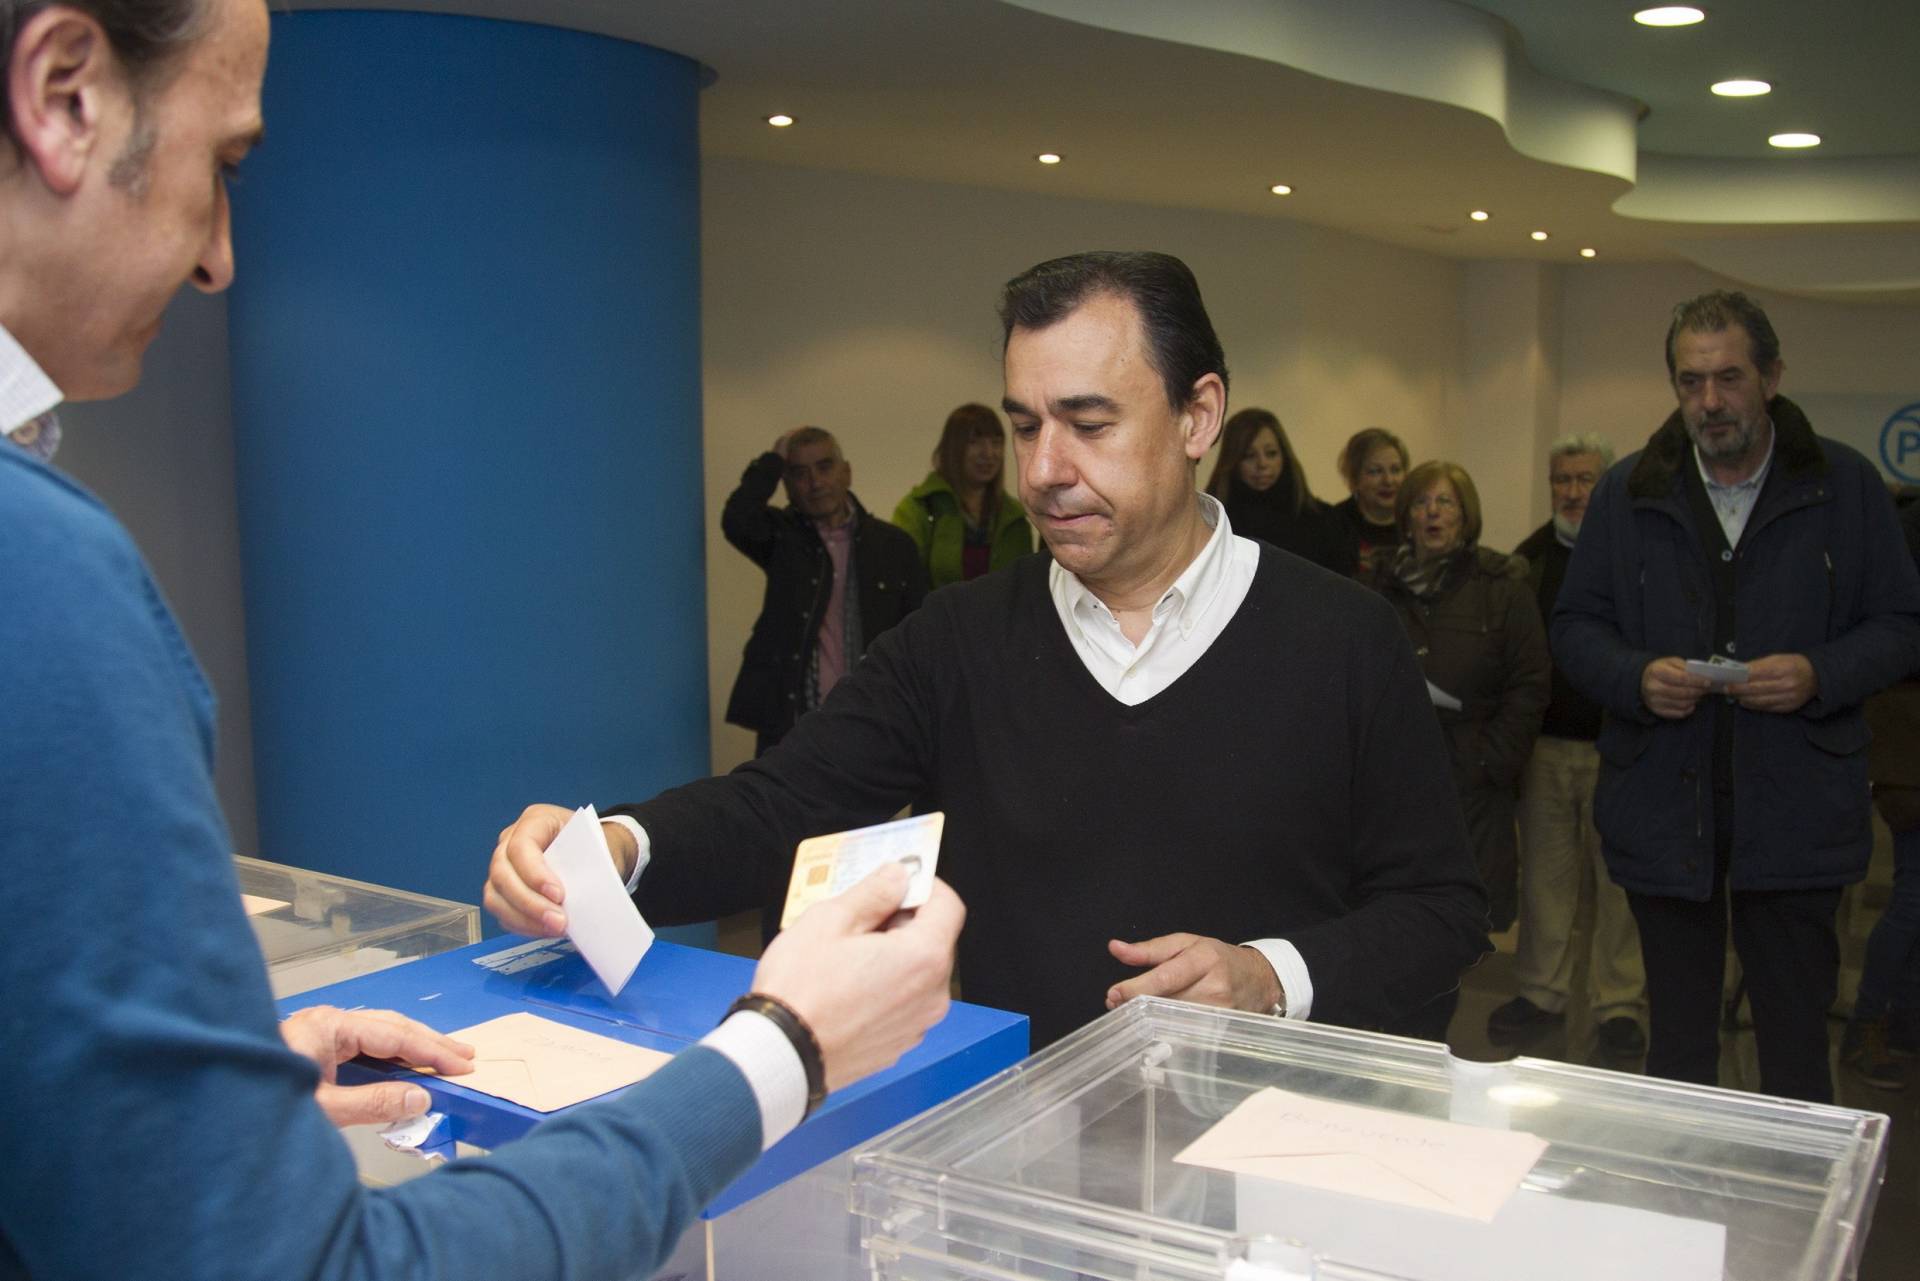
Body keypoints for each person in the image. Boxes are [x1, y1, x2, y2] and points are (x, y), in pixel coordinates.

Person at [0, 2, 963, 1276]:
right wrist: (781, 1048)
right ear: (67, 94)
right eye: (223, 165)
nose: (223, 256)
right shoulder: (43, 579)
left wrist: (188, 1118)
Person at [488, 250, 1492, 1050]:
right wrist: (618, 850)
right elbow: (781, 805)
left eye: (1089, 425)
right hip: (1031, 1154)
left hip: (1281, 1161)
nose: (1044, 472)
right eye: (1024, 427)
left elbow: (1441, 911)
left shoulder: (1343, 637)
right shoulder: (960, 639)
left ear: (1198, 416)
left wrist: (1272, 976)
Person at [1553, 290, 1920, 1103]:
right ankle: (1680, 1216)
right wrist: (1637, 676)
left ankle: (1796, 1218)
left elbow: (1901, 622)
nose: (1709, 402)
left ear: (1773, 376)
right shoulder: (1628, 493)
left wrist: (1820, 673)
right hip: (1663, 807)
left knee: (1793, 1050)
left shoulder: (1845, 485)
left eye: (1728, 378)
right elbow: (1577, 625)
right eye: (1690, 382)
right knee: (1677, 1055)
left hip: (1799, 815)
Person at [1369, 459, 1548, 1039]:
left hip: (1472, 773)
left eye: (1445, 503)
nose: (1432, 514)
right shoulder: (1380, 585)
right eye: (1421, 504)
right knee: (1395, 909)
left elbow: (1530, 682)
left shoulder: (1502, 586)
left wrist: (1492, 758)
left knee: (1463, 916)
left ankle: (1441, 1036)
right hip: (1395, 775)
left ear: (1466, 514)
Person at [1488, 435, 1650, 1059]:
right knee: (1547, 884)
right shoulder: (1526, 562)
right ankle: (1542, 993)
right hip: (1547, 749)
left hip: (1622, 748)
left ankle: (1619, 1005)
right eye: (1563, 480)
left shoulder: (1634, 555)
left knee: (1619, 886)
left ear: (1606, 484)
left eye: (1586, 479)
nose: (1574, 492)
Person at [723, 426, 928, 758]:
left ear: (846, 472)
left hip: (870, 721)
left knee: (868, 812)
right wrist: (773, 460)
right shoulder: (781, 539)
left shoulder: (892, 545)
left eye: (824, 467)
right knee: (780, 810)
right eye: (799, 473)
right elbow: (736, 518)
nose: (815, 483)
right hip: (790, 723)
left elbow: (916, 636)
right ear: (786, 486)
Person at [1843, 492, 1920, 1089]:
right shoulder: (1907, 532)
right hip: (1907, 748)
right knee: (1915, 895)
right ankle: (1870, 1025)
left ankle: (1897, 1025)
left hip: (1898, 744)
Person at [893, 401, 1035, 589]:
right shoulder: (918, 509)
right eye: (974, 442)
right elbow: (902, 582)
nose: (989, 453)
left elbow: (1025, 585)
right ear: (953, 449)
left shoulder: (1014, 517)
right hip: (937, 617)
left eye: (996, 443)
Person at [1202, 407, 1358, 575]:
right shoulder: (1213, 523)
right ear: (1233, 461)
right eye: (1249, 455)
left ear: (1284, 456)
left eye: (1271, 453)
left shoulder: (1324, 521)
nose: (1262, 464)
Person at [1332, 427, 1408, 575]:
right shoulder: (1335, 523)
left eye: (1396, 470)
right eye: (1375, 471)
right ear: (1354, 478)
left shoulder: (1415, 522)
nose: (1388, 480)